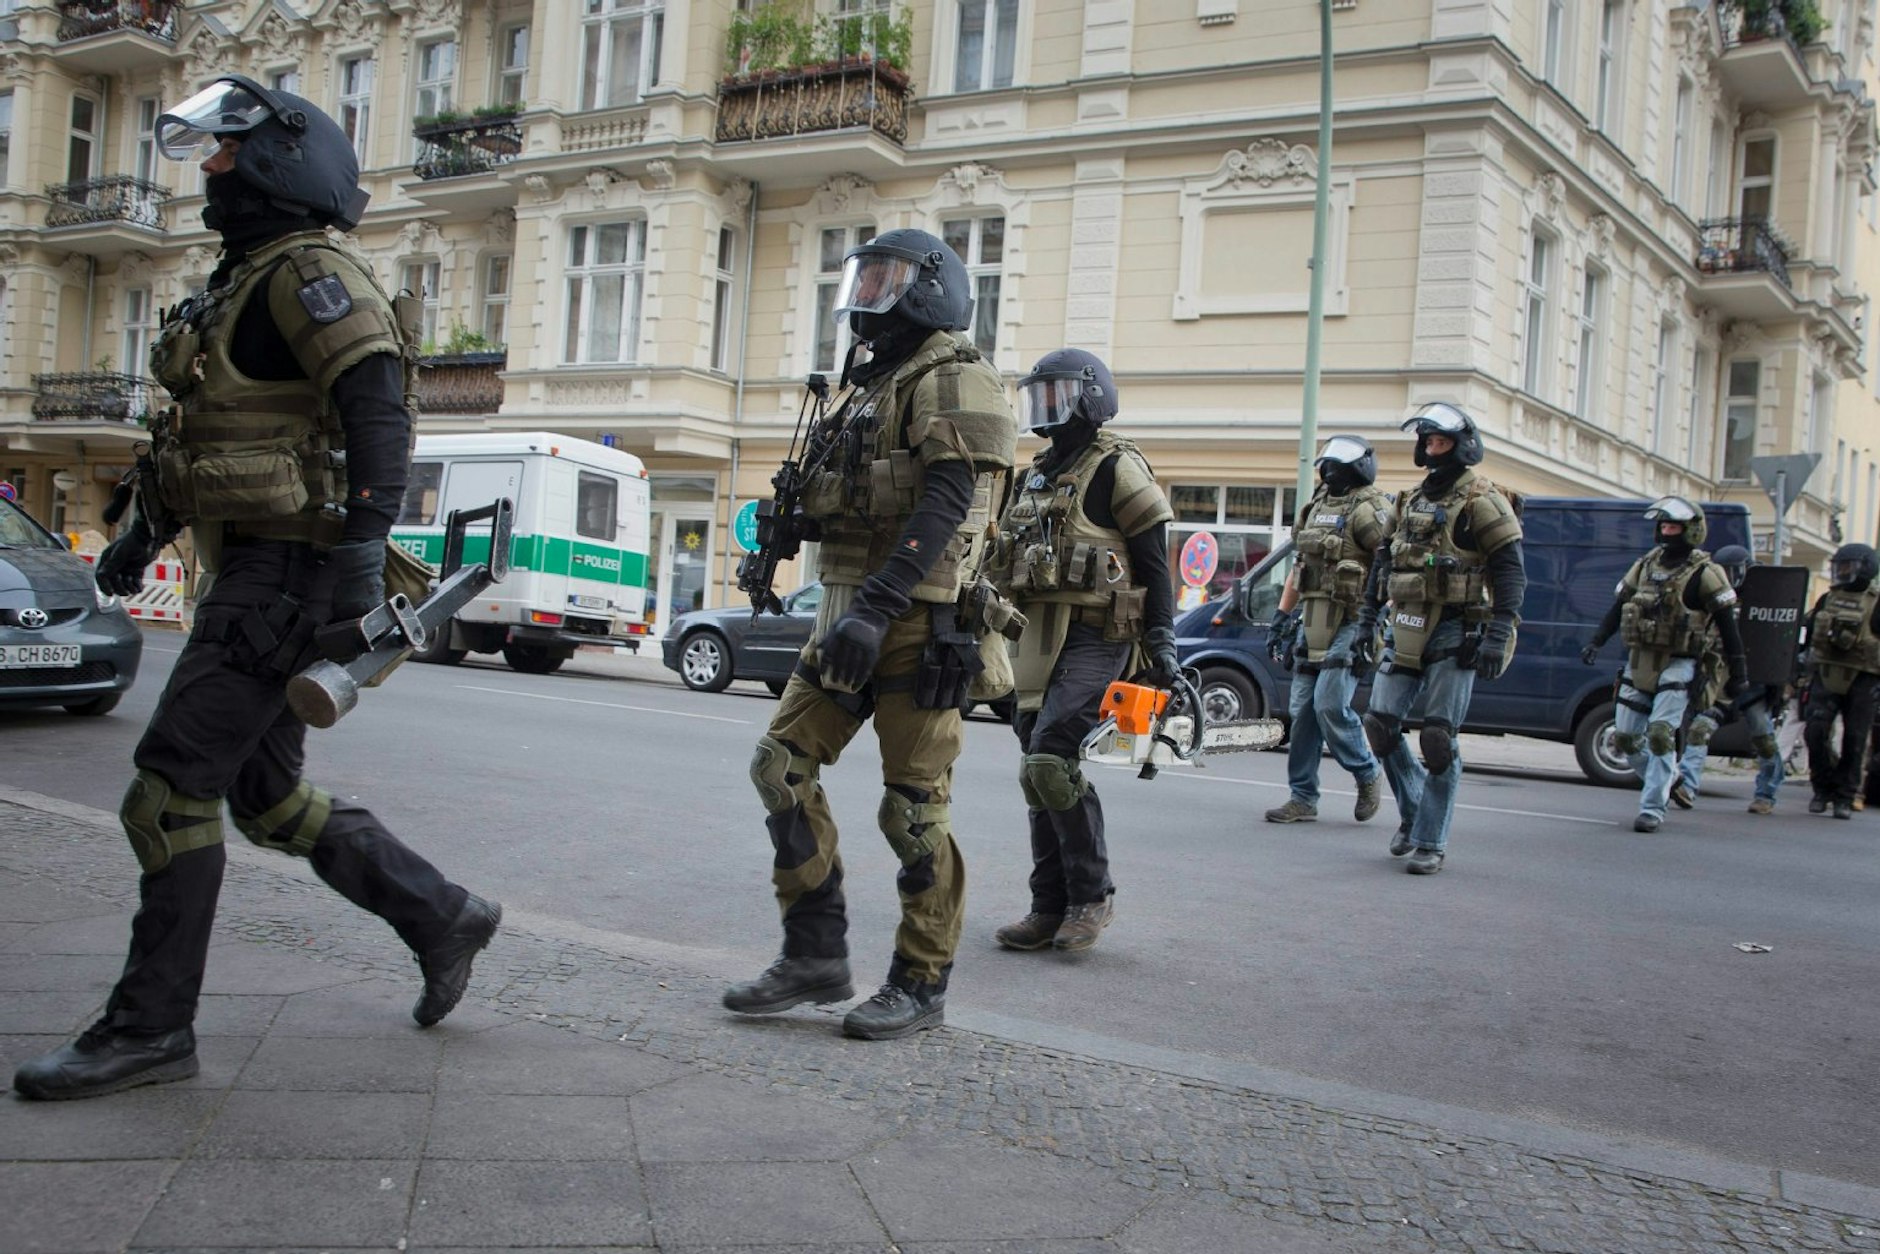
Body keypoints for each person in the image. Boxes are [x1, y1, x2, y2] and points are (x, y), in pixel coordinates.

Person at [12, 77, 500, 1102]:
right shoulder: (240, 280)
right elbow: (199, 437)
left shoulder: (311, 272)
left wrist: (364, 552)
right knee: (267, 797)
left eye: (225, 153)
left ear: (282, 158)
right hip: (254, 565)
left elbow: (378, 407)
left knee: (166, 792)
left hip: (286, 573)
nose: (211, 172)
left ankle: (150, 1029)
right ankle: (440, 913)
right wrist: (142, 532)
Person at [722, 229, 1016, 1039]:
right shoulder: (869, 389)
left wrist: (879, 606)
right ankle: (814, 954)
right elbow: (843, 496)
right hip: (852, 613)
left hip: (917, 623)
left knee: (912, 812)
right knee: (778, 768)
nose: (865, 293)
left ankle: (922, 983)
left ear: (929, 288)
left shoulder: (954, 375)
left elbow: (949, 498)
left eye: (885, 278)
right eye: (862, 276)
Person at [983, 349, 1175, 954]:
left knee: (1050, 761)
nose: (1045, 408)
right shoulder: (1034, 472)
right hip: (1035, 633)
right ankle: (1048, 907)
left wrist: (1164, 640)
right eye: (1037, 395)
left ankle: (1092, 898)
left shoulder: (1118, 468)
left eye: (1058, 393)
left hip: (1100, 633)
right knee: (1034, 770)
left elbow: (1155, 564)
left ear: (1092, 396)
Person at [1356, 403, 1526, 875]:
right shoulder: (1407, 501)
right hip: (1406, 622)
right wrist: (1368, 617)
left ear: (1462, 445)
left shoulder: (1482, 500)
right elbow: (1383, 564)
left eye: (1442, 442)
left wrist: (1499, 632)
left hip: (1458, 626)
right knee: (1380, 725)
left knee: (1437, 737)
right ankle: (1414, 813)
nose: (1433, 449)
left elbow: (1511, 572)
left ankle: (1431, 838)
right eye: (1428, 441)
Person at [1579, 498, 1747, 833]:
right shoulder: (1644, 565)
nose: (1666, 531)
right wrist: (1597, 640)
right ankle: (1671, 778)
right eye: (1664, 526)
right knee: (1626, 738)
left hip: (1679, 663)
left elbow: (1728, 625)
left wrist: (1739, 674)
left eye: (1673, 526)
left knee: (1659, 734)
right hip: (1639, 661)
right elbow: (1619, 605)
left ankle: (1653, 807)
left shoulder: (1706, 573)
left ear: (1691, 530)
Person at [1263, 435, 1393, 827]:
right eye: (1327, 465)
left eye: (1338, 466)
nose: (1329, 472)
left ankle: (1367, 771)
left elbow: (1393, 569)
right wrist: (1281, 619)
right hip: (1312, 619)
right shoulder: (1315, 507)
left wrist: (1376, 620)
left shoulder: (1372, 510)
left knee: (1329, 703)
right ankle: (1302, 797)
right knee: (1302, 711)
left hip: (1354, 622)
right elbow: (1300, 570)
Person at [1671, 545, 1786, 815]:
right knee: (1700, 729)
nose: (1731, 577)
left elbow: (1780, 642)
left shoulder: (1764, 600)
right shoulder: (1711, 599)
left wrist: (1777, 682)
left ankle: (1767, 793)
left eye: (1735, 571)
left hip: (1753, 682)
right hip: (1720, 682)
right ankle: (1686, 786)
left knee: (1763, 738)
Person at [1800, 542, 1880, 819]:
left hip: (1864, 678)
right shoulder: (1828, 598)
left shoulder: (1876, 602)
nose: (1842, 572)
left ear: (1865, 569)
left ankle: (1845, 796)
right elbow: (1808, 633)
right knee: (1815, 731)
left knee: (1855, 738)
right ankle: (1822, 787)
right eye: (1840, 566)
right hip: (1826, 672)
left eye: (1848, 567)